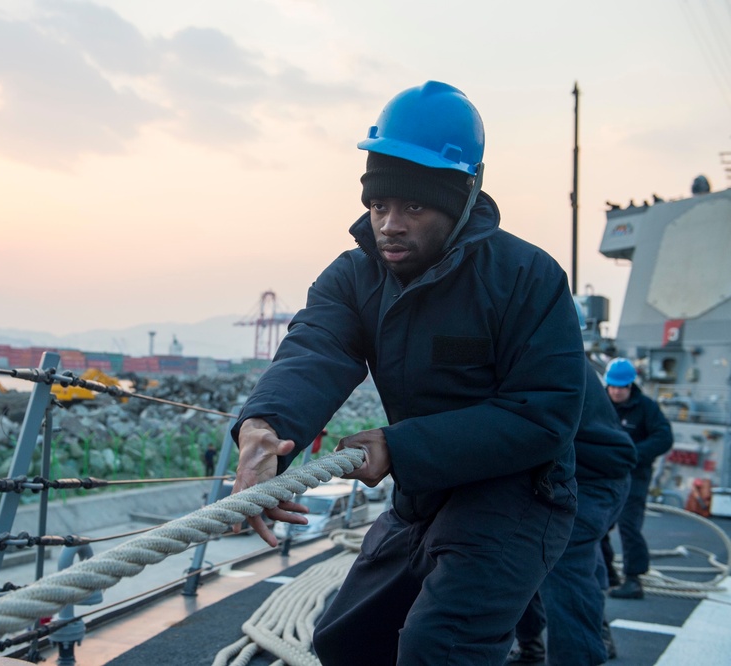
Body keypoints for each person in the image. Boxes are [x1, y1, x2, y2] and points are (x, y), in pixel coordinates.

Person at [231, 80, 586, 665]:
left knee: (438, 647)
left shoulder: (527, 277)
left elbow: (543, 413)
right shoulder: (352, 278)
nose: (389, 224)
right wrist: (264, 427)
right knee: (345, 641)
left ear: (461, 198)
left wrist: (399, 446)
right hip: (422, 493)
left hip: (519, 494)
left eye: (413, 207)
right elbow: (314, 349)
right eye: (379, 205)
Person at [508, 361, 636, 665]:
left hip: (592, 478)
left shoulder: (542, 349)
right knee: (517, 553)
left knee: (565, 559)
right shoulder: (535, 341)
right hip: (569, 471)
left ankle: (581, 651)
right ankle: (531, 646)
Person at [603, 357, 673, 600]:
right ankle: (608, 574)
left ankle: (633, 580)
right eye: (612, 386)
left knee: (629, 526)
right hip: (603, 476)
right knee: (596, 526)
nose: (615, 391)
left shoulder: (646, 408)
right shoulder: (599, 404)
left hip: (634, 477)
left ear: (630, 385)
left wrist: (633, 453)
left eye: (620, 387)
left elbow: (664, 438)